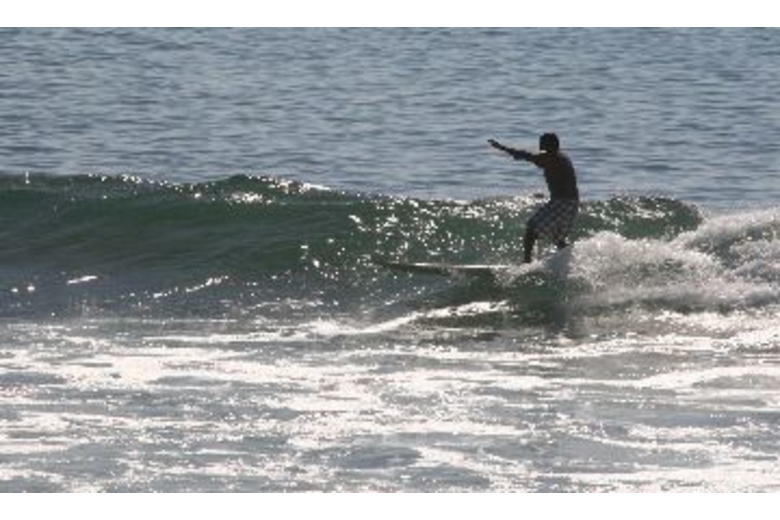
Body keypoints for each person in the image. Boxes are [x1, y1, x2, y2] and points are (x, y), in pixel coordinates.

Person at [488, 133, 579, 263]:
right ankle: (571, 262)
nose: (539, 145)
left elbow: (526, 156)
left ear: (549, 145)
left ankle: (527, 262)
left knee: (532, 228)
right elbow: (529, 157)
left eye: (542, 143)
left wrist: (502, 148)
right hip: (563, 202)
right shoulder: (557, 157)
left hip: (564, 203)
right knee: (557, 238)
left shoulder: (554, 158)